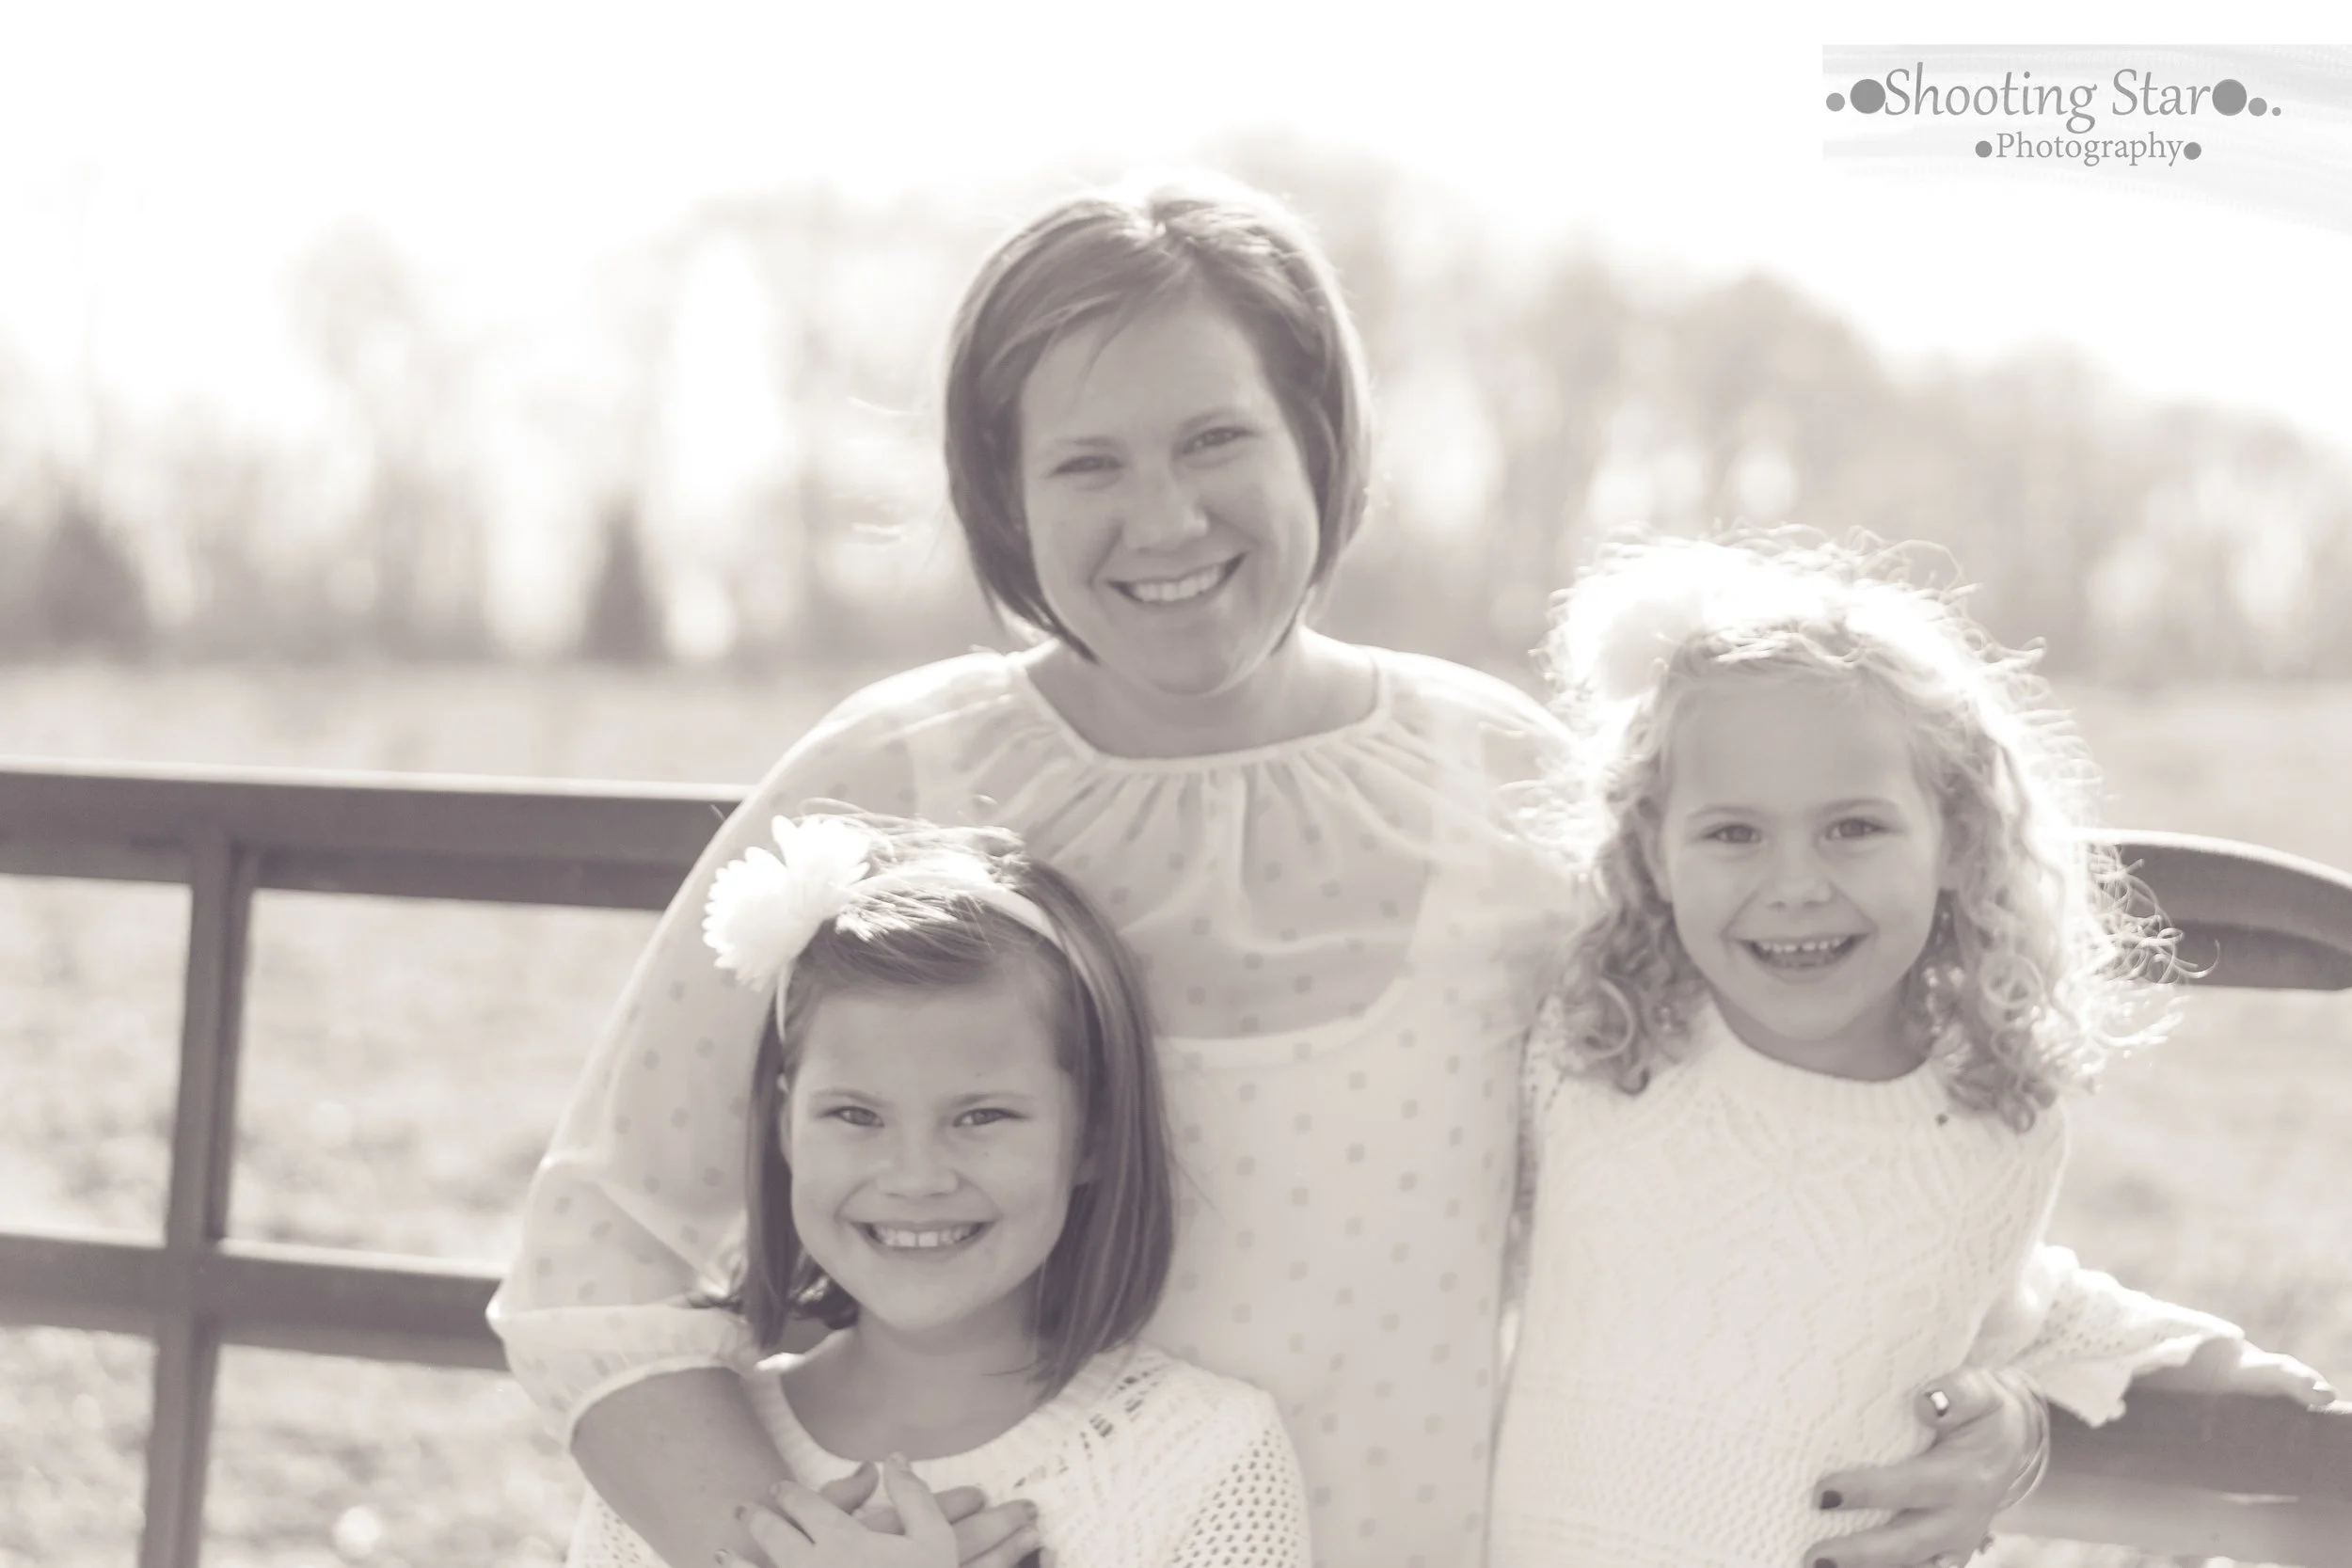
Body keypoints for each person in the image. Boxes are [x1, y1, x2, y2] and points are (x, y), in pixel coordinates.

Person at [489, 173, 2242, 1568]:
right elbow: (595, 1258)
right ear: (1005, 496)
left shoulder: (1506, 786)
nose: (1164, 518)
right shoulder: (893, 778)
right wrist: (782, 1548)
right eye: (1087, 462)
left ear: (1318, 439)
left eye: (1215, 440)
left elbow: (1760, 1157)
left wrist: (2005, 1406)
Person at [1488, 532, 2335, 1567]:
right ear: (1652, 852)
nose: (1795, 883)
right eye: (1732, 833)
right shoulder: (1589, 1050)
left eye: (1853, 827)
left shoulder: (1993, 1126)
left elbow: (1994, 1292)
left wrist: (2193, 1354)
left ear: (1959, 842)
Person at [566, 815, 1310, 1568]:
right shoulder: (675, 1452)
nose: (916, 1176)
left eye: (982, 1115)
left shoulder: (1204, 1454)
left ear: (1091, 1134)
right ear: (786, 1126)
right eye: (856, 1115)